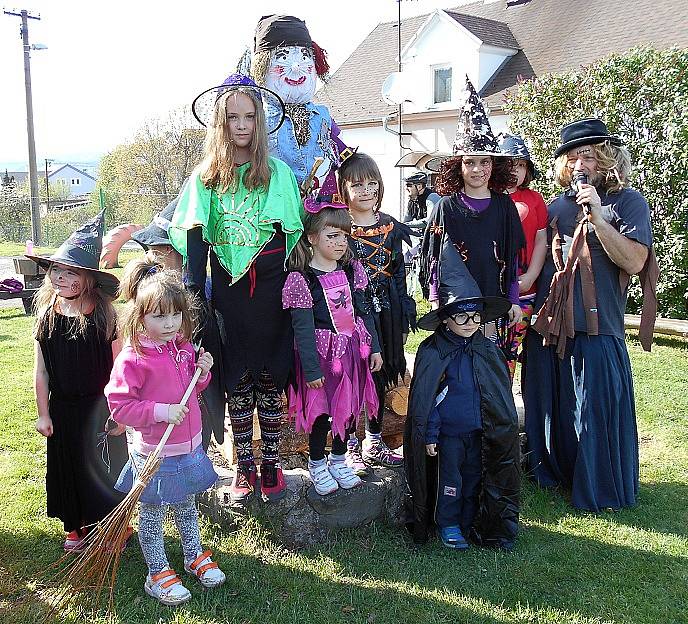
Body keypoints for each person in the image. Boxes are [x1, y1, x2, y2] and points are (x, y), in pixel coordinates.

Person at [169, 74, 304, 503]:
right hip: (227, 293)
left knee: (270, 378)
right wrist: (193, 297)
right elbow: (194, 236)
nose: (241, 125)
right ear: (219, 122)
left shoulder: (277, 173)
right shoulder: (205, 178)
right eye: (232, 117)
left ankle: (271, 463)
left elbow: (287, 234)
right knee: (237, 380)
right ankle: (244, 465)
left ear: (260, 121)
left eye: (249, 117)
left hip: (269, 292)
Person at [524, 117, 659, 512]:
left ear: (607, 158)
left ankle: (599, 484)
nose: (581, 164)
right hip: (554, 330)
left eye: (589, 155)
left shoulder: (628, 202)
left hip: (601, 330)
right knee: (558, 410)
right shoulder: (554, 209)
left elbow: (635, 261)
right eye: (573, 157)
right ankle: (556, 473)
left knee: (596, 411)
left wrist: (599, 219)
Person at [105, 259, 225, 606]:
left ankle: (193, 555)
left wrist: (202, 372)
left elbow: (194, 388)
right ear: (139, 317)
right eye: (159, 316)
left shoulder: (182, 347)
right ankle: (156, 572)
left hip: (188, 447)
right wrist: (161, 412)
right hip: (154, 452)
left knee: (188, 505)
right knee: (154, 513)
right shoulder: (134, 358)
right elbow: (121, 407)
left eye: (175, 315)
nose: (170, 323)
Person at [404, 242, 520, 550]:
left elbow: (498, 398)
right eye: (462, 316)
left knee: (473, 482)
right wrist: (430, 435)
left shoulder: (487, 349)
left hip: (478, 435)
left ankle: (470, 522)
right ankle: (449, 523)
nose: (470, 323)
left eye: (476, 316)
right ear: (445, 318)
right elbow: (428, 402)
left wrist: (498, 430)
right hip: (449, 438)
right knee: (450, 483)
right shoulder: (434, 352)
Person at [29, 210, 127, 553]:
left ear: (88, 278)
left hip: (100, 409)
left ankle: (113, 526)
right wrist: (44, 413)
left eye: (70, 271)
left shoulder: (104, 316)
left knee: (105, 467)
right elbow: (41, 370)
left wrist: (120, 412)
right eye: (56, 269)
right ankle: (76, 526)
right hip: (64, 409)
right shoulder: (47, 315)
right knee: (69, 466)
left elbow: (120, 367)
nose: (60, 276)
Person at [283, 177, 382, 494]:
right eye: (333, 235)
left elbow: (364, 311)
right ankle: (317, 463)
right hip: (321, 356)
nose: (341, 242)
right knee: (323, 412)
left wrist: (375, 349)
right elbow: (301, 328)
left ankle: (340, 459)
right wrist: (310, 369)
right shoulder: (302, 278)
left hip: (351, 352)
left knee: (349, 409)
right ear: (312, 237)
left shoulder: (353, 271)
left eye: (345, 235)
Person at [421, 77, 525, 367]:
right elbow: (433, 258)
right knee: (457, 369)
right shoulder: (446, 207)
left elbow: (511, 259)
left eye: (484, 161)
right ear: (459, 166)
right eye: (470, 162)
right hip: (456, 303)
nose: (477, 169)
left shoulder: (505, 206)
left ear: (494, 165)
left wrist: (514, 299)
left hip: (491, 302)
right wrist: (434, 300)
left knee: (488, 366)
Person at [337, 152, 417, 473]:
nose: (367, 190)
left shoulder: (390, 227)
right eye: (358, 185)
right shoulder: (340, 227)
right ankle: (350, 445)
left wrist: (401, 313)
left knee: (382, 376)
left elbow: (398, 272)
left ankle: (375, 440)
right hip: (353, 313)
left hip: (387, 311)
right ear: (344, 189)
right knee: (356, 375)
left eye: (372, 183)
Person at [130, 194, 225, 451]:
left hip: (195, 398)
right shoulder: (148, 295)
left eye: (155, 250)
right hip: (160, 402)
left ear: (172, 251)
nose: (151, 256)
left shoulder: (200, 293)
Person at [498, 133, 548, 379]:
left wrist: (531, 276)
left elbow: (541, 241)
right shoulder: (487, 198)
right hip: (493, 292)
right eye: (509, 164)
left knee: (511, 350)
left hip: (526, 290)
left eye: (520, 164)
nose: (514, 170)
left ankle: (505, 409)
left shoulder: (534, 199)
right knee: (490, 352)